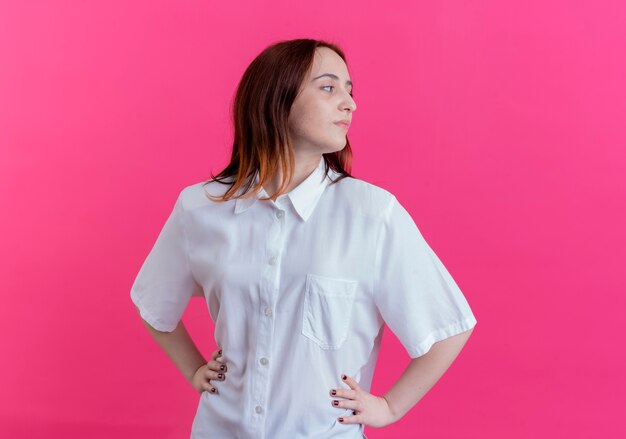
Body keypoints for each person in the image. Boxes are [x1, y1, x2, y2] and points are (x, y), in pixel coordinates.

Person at [130, 38, 477, 439]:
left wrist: (389, 407)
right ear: (276, 98)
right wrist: (193, 369)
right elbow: (153, 303)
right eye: (329, 88)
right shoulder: (200, 207)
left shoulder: (372, 213)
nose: (349, 103)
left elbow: (449, 327)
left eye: (350, 90)